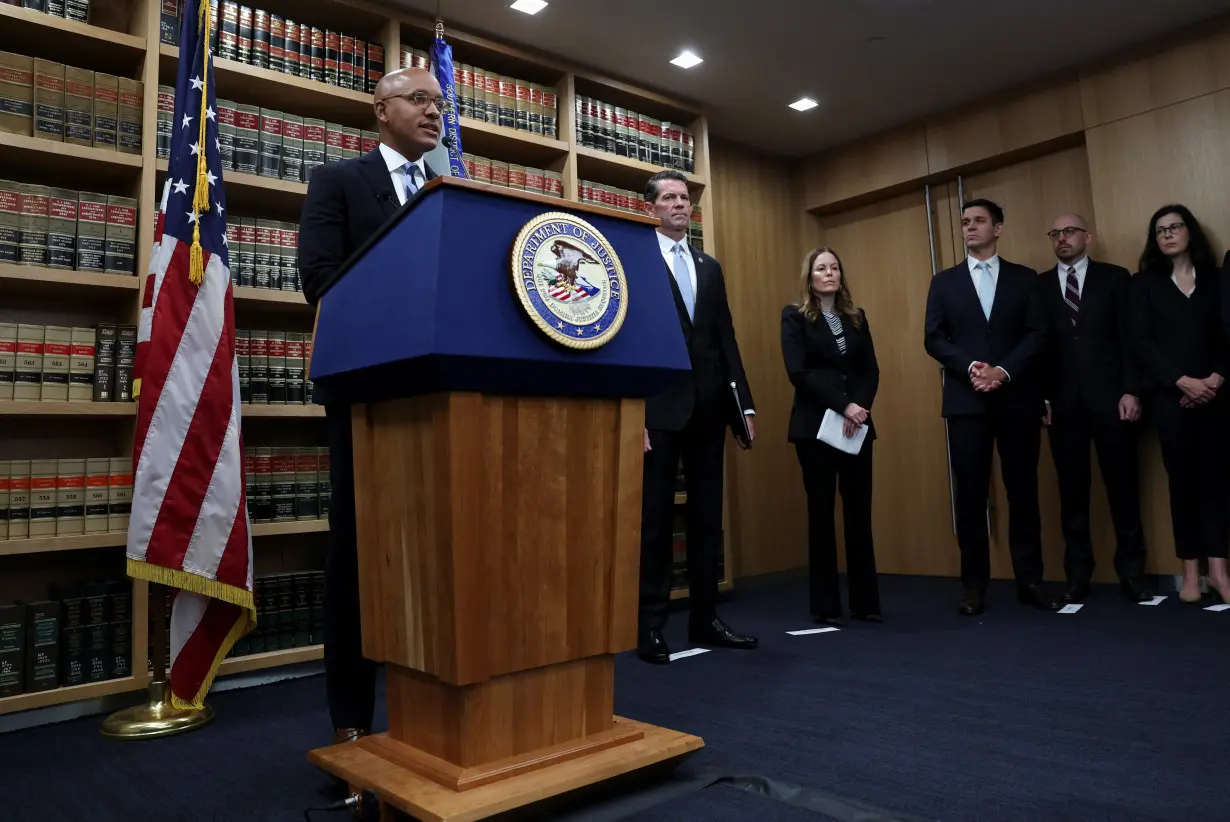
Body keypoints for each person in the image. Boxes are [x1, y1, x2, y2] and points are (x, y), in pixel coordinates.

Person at [298, 67, 443, 744]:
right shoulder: (339, 183)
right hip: (367, 398)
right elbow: (321, 283)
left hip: (444, 400)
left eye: (439, 104)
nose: (434, 112)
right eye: (420, 99)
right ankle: (351, 723)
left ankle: (441, 716)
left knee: (440, 554)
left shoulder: (450, 191)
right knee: (357, 560)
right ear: (380, 109)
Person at [636, 169, 758, 664]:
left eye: (684, 198)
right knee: (655, 521)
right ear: (651, 208)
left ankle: (705, 619)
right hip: (658, 409)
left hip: (710, 409)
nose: (679, 205)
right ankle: (650, 627)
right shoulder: (636, 260)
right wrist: (632, 414)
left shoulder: (709, 266)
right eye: (668, 198)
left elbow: (724, 338)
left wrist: (743, 404)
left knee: (709, 519)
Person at [923, 198, 1056, 616]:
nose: (970, 228)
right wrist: (972, 368)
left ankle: (1030, 581)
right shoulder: (943, 282)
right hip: (966, 402)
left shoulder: (1026, 279)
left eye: (979, 221)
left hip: (1016, 399)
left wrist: (1003, 371)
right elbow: (934, 338)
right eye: (965, 222)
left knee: (1023, 492)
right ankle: (973, 587)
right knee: (970, 496)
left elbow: (1037, 334)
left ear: (998, 228)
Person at [1037, 213, 1151, 603]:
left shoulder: (1115, 278)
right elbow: (1038, 350)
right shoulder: (1040, 286)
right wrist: (1042, 398)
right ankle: (1078, 576)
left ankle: (1133, 574)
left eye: (1069, 231)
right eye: (1055, 233)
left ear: (1088, 236)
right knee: (1071, 494)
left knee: (1123, 488)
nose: (1062, 239)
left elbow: (1129, 339)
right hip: (1062, 405)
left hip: (1112, 400)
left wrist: (1131, 391)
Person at [1129, 204, 1230, 604]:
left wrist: (1214, 380)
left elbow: (1228, 337)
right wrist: (1182, 382)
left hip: (1217, 395)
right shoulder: (1144, 284)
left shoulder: (1218, 279)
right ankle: (1191, 572)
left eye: (1175, 227)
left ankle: (1220, 572)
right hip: (1170, 399)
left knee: (1217, 482)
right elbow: (1141, 342)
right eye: (1160, 230)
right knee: (1182, 482)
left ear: (1191, 232)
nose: (1168, 234)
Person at [781, 247, 881, 626]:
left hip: (858, 428)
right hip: (815, 429)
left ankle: (866, 603)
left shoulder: (857, 318)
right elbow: (799, 372)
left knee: (859, 514)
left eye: (834, 267)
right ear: (810, 276)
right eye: (821, 268)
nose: (829, 273)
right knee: (821, 514)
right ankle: (825, 606)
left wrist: (860, 407)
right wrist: (843, 406)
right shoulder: (794, 316)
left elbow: (871, 370)